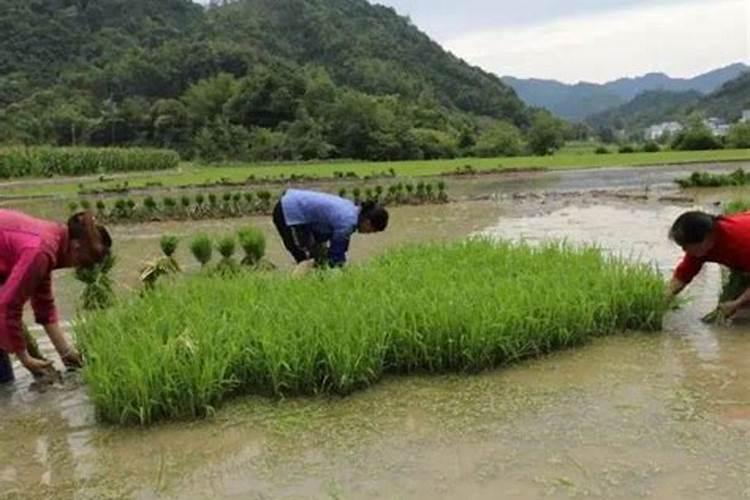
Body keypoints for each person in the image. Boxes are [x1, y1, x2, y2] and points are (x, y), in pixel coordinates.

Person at [0, 209, 112, 379]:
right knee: (4, 380)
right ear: (76, 247)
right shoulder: (41, 250)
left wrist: (66, 353)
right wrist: (25, 359)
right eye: (83, 262)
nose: (78, 267)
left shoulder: (53, 240)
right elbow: (8, 305)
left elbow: (43, 303)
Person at [272, 189, 389, 271]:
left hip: (300, 214)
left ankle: (313, 287)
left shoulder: (352, 212)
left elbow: (336, 249)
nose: (368, 234)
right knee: (306, 258)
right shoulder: (347, 222)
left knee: (319, 256)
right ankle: (294, 288)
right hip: (289, 211)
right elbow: (336, 256)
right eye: (372, 231)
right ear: (368, 223)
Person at [668, 210, 750, 318]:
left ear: (707, 237)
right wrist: (662, 301)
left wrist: (737, 303)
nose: (684, 250)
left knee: (742, 310)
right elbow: (683, 275)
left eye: (686, 246)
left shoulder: (741, 243)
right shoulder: (699, 249)